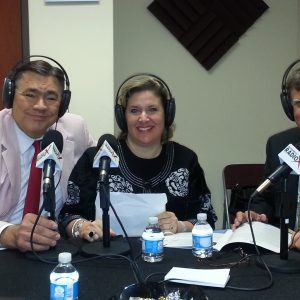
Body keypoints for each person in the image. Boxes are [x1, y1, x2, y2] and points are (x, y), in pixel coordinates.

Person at [59, 74, 217, 241]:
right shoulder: (97, 159)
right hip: (107, 263)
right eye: (134, 110)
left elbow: (207, 219)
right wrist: (83, 228)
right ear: (122, 117)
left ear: (167, 114)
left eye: (152, 109)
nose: (143, 118)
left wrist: (181, 226)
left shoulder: (185, 160)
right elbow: (68, 217)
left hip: (172, 262)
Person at [0, 58, 94, 252]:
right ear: (10, 96)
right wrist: (9, 234)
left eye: (51, 97)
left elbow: (101, 176)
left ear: (63, 103)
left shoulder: (75, 129)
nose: (40, 106)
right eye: (30, 95)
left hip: (55, 249)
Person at [232, 61, 300, 249]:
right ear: (289, 108)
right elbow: (267, 198)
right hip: (286, 251)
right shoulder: (280, 145)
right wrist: (256, 214)